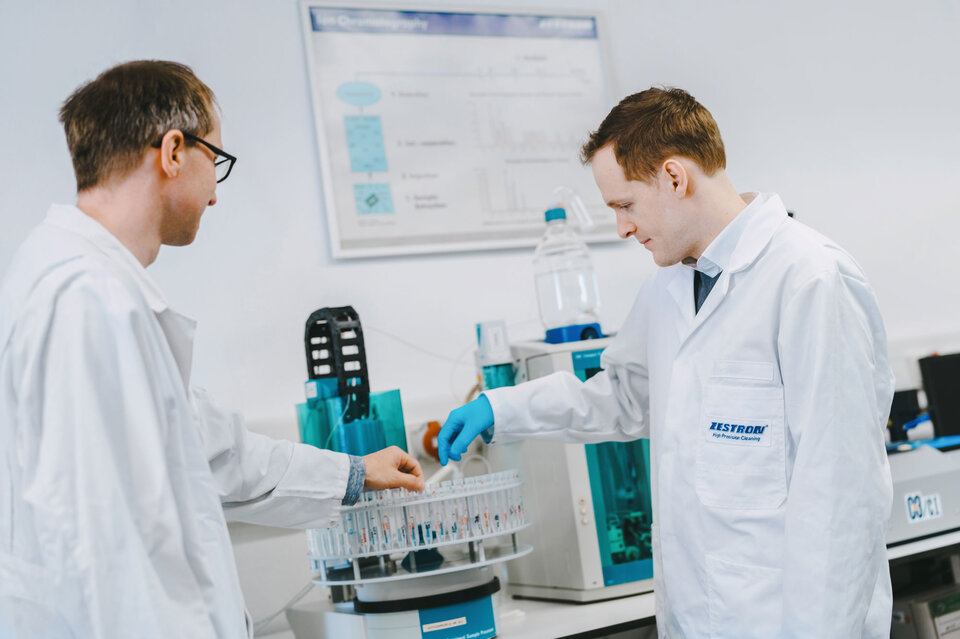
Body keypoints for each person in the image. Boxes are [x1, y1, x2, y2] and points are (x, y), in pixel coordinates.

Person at [438, 87, 894, 638]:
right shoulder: (671, 287)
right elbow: (625, 396)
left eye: (624, 205)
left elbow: (842, 497)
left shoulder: (809, 280)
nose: (622, 228)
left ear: (675, 177)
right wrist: (502, 407)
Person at [0, 60, 424, 638]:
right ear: (174, 151)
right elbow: (111, 550)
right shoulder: (87, 302)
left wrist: (354, 472)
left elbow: (212, 451)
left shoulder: (95, 289)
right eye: (215, 161)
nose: (216, 197)